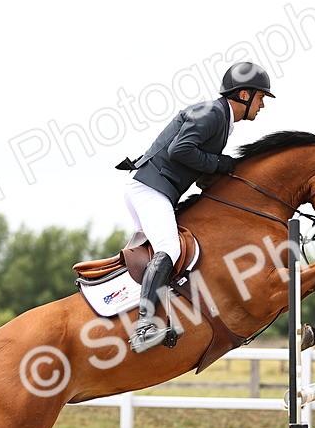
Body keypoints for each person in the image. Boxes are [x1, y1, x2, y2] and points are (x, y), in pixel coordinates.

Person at [116, 61, 275, 353]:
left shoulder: (220, 119)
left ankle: (156, 313)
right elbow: (181, 150)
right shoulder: (212, 114)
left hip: (155, 189)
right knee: (170, 248)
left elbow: (190, 159)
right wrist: (219, 164)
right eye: (261, 97)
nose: (262, 105)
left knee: (170, 258)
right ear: (244, 95)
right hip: (150, 189)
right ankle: (145, 325)